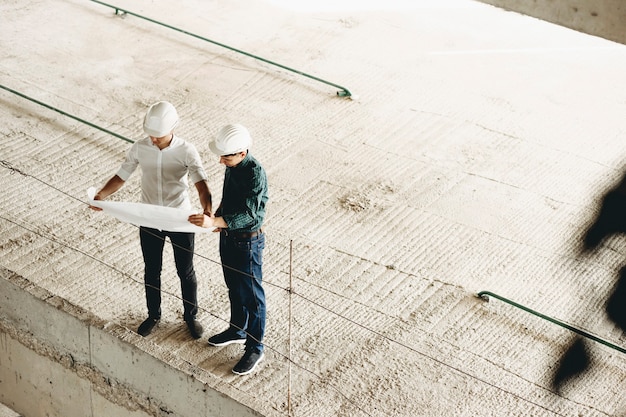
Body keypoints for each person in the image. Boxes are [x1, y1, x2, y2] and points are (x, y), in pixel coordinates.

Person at [89, 101, 212, 339]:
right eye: (150, 135)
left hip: (179, 218)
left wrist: (207, 210)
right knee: (151, 269)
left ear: (172, 128)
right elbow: (122, 175)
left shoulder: (187, 150)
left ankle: (191, 316)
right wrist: (101, 196)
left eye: (158, 135)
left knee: (185, 270)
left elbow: (201, 183)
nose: (153, 140)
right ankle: (153, 314)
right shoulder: (139, 147)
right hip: (150, 218)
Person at [188, 123, 268, 375]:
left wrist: (218, 222)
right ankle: (238, 329)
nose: (221, 161)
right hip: (230, 236)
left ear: (242, 153)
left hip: (248, 241)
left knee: (253, 296)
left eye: (226, 156)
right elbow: (230, 198)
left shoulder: (255, 174)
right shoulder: (233, 167)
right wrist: (217, 216)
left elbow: (249, 213)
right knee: (233, 285)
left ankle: (255, 347)